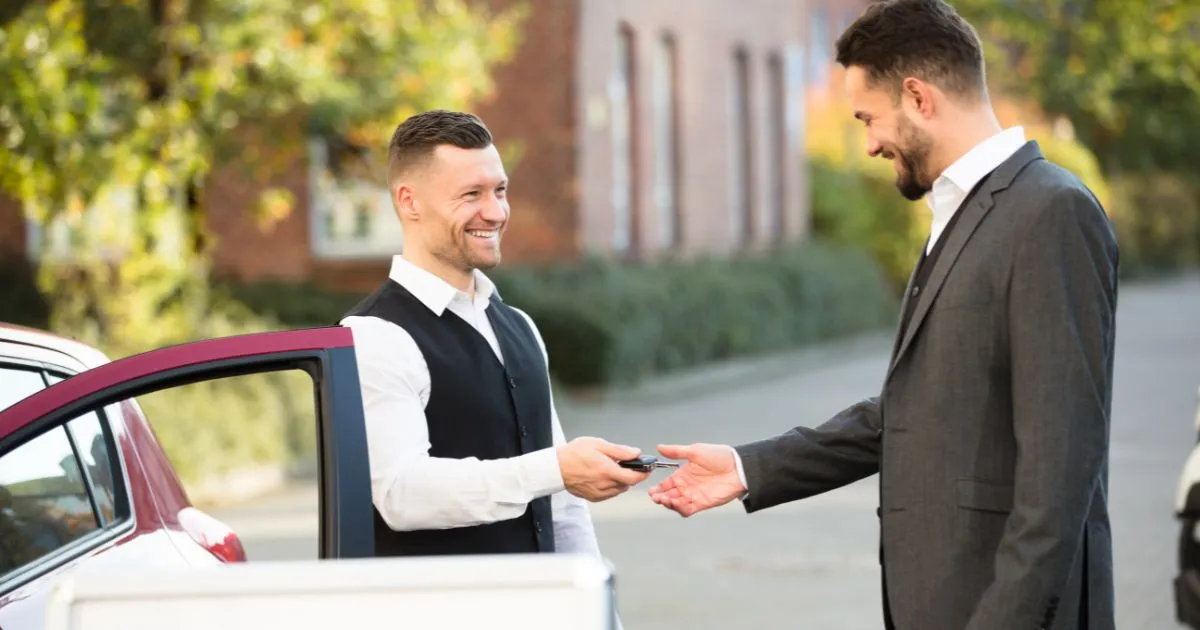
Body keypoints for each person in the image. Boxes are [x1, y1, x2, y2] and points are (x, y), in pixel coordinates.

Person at [648, 1, 1119, 628]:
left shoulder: (1050, 212)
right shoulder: (964, 212)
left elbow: (1061, 469)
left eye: (869, 117)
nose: (868, 142)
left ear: (919, 97)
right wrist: (746, 468)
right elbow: (912, 414)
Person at [340, 110, 650, 565]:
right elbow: (402, 494)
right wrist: (555, 468)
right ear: (410, 201)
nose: (496, 212)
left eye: (500, 190)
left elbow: (563, 509)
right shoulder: (373, 335)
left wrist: (596, 611)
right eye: (471, 194)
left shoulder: (519, 325)